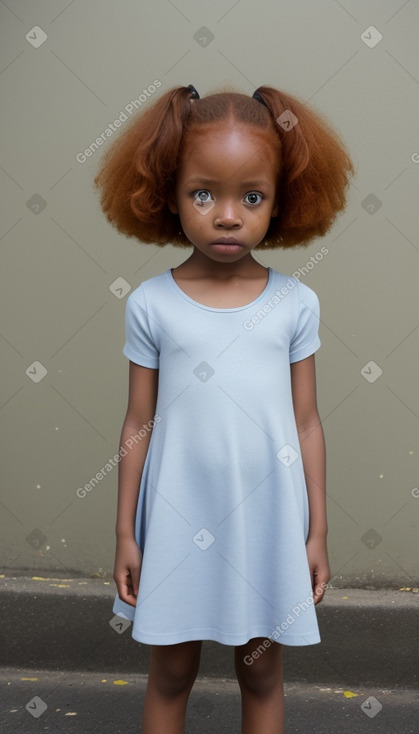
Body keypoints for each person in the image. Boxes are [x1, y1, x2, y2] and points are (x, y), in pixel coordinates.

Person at [94, 83, 354, 734]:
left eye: (252, 196)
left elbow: (306, 422)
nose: (228, 215)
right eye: (203, 193)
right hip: (178, 516)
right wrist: (126, 532)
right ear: (167, 195)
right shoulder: (151, 304)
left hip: (266, 517)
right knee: (172, 670)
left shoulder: (295, 303)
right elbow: (136, 424)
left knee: (261, 670)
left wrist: (316, 529)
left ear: (281, 199)